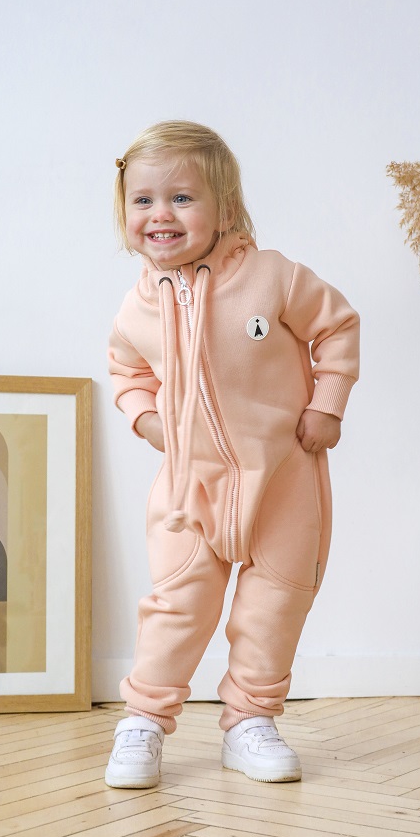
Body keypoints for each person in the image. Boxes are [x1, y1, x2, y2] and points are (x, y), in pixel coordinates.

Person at [106, 120, 359, 788]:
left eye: (182, 198)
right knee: (177, 604)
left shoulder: (273, 278)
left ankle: (250, 720)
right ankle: (143, 719)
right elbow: (126, 371)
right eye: (143, 200)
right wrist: (147, 420)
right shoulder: (137, 307)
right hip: (189, 488)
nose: (161, 214)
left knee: (276, 601)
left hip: (283, 477)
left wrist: (327, 405)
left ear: (225, 207)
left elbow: (337, 325)